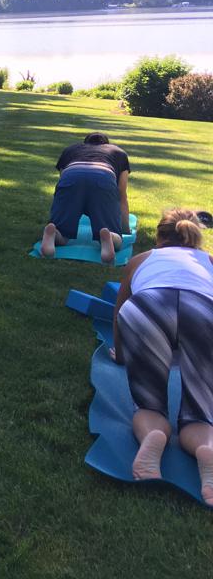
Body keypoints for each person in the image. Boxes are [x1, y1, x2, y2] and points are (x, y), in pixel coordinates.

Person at [109, 209, 213, 503]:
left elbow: (119, 311)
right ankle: (206, 447)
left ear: (159, 236)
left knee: (150, 406)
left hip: (147, 308)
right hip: (204, 312)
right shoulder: (209, 261)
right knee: (200, 415)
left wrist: (121, 354)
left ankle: (154, 433)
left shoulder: (141, 259)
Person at [40, 132, 130, 263]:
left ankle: (53, 232)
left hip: (71, 176)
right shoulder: (118, 152)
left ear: (85, 143)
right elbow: (122, 193)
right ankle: (109, 236)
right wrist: (125, 228)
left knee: (63, 235)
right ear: (106, 143)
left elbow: (63, 181)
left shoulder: (71, 149)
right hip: (103, 177)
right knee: (116, 238)